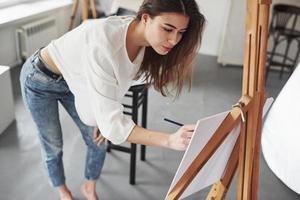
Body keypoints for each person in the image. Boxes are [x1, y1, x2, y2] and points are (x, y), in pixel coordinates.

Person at [19, 0, 206, 199]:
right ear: (145, 18)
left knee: (97, 141)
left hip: (78, 78)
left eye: (181, 32)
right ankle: (62, 190)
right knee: (53, 145)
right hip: (40, 79)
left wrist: (105, 113)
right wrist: (169, 140)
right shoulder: (104, 42)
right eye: (168, 29)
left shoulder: (143, 45)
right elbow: (112, 124)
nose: (174, 40)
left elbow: (116, 83)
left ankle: (89, 187)